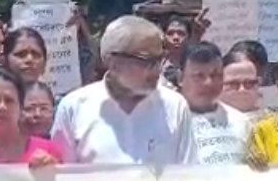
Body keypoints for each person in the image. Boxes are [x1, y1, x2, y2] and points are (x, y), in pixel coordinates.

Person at [51, 16, 198, 165]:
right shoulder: (74, 108)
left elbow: (190, 171)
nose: (157, 71)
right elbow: (59, 172)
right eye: (148, 62)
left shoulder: (174, 106)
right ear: (113, 62)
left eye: (160, 60)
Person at [180, 42, 250, 165]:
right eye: (199, 76)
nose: (208, 83)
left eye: (215, 75)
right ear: (180, 78)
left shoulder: (241, 122)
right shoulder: (168, 125)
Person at [220, 46, 265, 119]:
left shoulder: (275, 123)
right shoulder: (203, 122)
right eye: (233, 84)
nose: (242, 90)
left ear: (258, 84)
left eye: (249, 83)